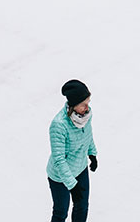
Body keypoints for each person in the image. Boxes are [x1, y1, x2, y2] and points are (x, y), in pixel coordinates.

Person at [47, 80, 97, 222]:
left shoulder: (86, 115)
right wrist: (72, 185)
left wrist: (92, 153)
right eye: (83, 104)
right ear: (73, 105)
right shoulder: (59, 125)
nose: (87, 108)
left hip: (80, 168)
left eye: (88, 102)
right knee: (61, 212)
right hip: (59, 177)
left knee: (82, 206)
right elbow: (59, 160)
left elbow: (88, 135)